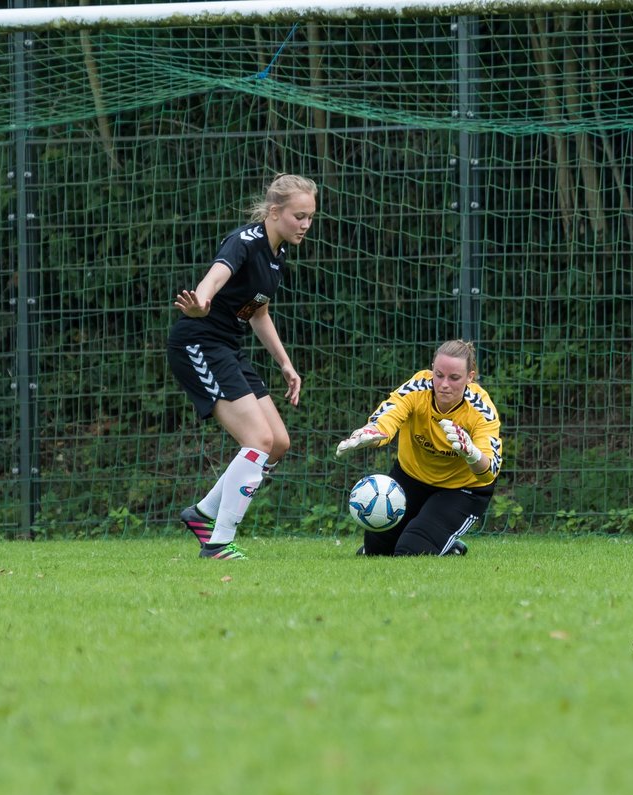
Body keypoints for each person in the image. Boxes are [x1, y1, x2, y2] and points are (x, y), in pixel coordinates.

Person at [167, 174, 318, 560]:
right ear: (274, 212)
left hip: (227, 347)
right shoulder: (245, 243)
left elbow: (257, 312)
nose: (305, 225)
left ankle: (202, 513)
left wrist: (285, 364)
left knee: (278, 443)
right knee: (258, 441)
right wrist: (201, 301)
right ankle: (218, 541)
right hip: (198, 344)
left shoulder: (276, 254)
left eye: (310, 218)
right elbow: (216, 275)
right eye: (299, 216)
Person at [335, 339, 502, 556]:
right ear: (432, 369)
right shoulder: (417, 388)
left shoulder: (481, 410)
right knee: (376, 552)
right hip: (411, 477)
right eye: (439, 374)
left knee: (410, 550)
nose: (443, 384)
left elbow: (489, 470)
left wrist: (471, 453)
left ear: (470, 377)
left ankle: (451, 547)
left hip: (462, 489)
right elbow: (390, 416)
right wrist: (371, 432)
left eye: (454, 378)